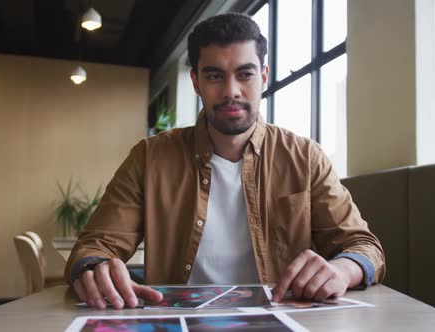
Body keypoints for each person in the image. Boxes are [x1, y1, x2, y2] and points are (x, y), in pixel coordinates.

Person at [65, 13, 385, 310]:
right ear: (196, 81)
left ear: (263, 76)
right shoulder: (149, 158)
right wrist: (94, 268)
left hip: (281, 318)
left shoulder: (305, 157)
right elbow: (95, 245)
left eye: (244, 74)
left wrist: (343, 269)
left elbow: (362, 245)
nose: (231, 91)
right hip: (177, 319)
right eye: (215, 76)